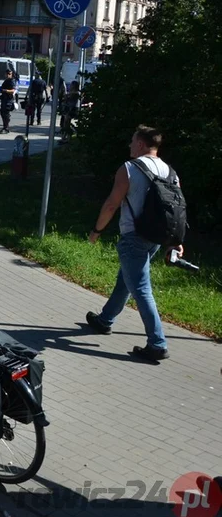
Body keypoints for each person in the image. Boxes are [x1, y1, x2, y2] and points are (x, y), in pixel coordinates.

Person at [86, 126, 181, 362]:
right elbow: (177, 212)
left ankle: (157, 343)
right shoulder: (171, 172)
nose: (129, 145)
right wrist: (175, 242)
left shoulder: (129, 169)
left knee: (141, 289)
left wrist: (97, 230)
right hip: (155, 239)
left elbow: (111, 204)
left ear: (140, 143)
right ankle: (105, 319)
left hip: (133, 237)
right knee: (126, 279)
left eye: (132, 141)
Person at [0, 69, 16, 134]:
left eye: (10, 74)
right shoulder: (6, 80)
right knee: (2, 113)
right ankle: (5, 127)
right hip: (4, 99)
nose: (8, 75)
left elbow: (13, 90)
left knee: (5, 114)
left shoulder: (11, 81)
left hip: (8, 99)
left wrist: (5, 90)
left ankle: (6, 128)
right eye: (7, 74)